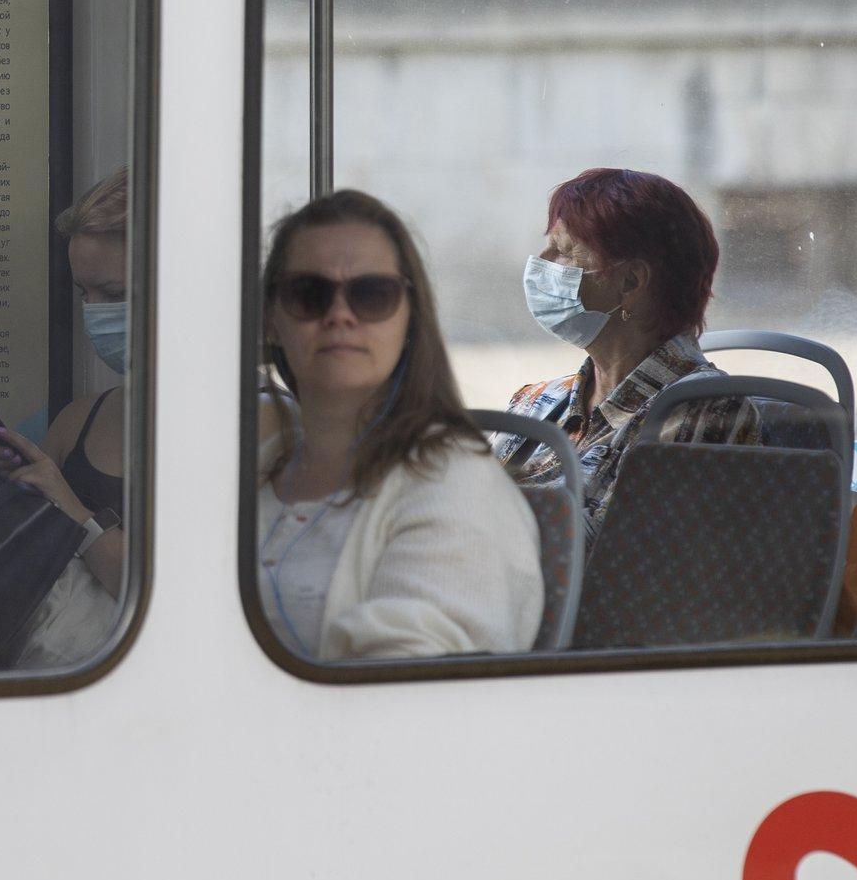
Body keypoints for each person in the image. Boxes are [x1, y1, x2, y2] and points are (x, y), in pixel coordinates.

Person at [258, 190, 541, 660]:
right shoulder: (251, 471)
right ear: (271, 320)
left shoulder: (453, 479)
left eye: (372, 295)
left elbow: (405, 691)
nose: (340, 316)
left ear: (410, 318)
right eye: (309, 294)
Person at [497, 167, 758, 557]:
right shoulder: (536, 403)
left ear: (631, 283)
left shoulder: (706, 412)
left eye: (565, 252)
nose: (541, 262)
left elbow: (621, 569)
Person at [0, 167, 129, 666]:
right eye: (84, 295)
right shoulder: (78, 420)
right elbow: (22, 548)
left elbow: (170, 593)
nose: (94, 314)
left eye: (113, 295)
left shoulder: (252, 423)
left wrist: (74, 512)